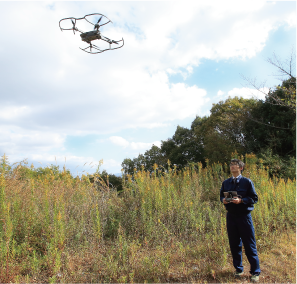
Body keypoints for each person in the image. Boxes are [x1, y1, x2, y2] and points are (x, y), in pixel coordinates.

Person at [220, 159, 261, 283]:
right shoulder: (226, 182)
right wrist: (223, 200)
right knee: (234, 244)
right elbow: (221, 195)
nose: (232, 166)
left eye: (235, 165)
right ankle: (238, 269)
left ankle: (255, 272)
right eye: (231, 165)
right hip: (231, 216)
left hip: (244, 217)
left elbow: (254, 198)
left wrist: (242, 201)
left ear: (241, 168)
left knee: (249, 244)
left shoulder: (247, 182)